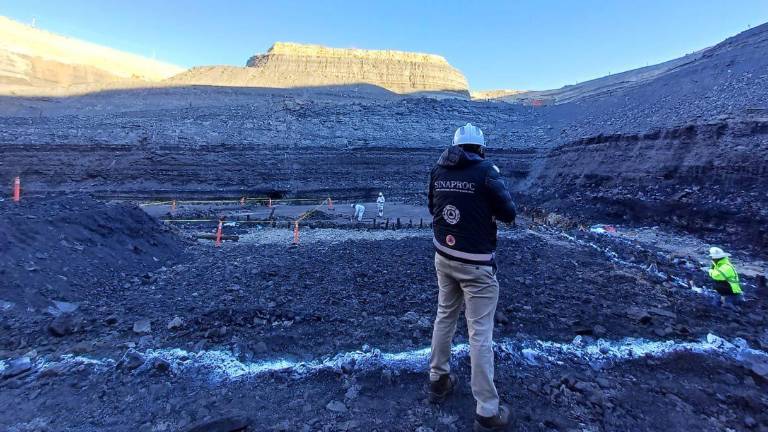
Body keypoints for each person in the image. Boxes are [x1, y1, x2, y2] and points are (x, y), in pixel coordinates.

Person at [427, 123, 516, 431]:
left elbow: (432, 208)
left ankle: (438, 379)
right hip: (476, 264)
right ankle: (487, 410)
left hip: (444, 255)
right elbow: (508, 213)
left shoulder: (438, 169)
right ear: (480, 148)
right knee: (479, 333)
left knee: (445, 316)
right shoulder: (487, 171)